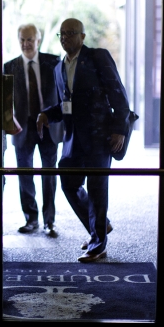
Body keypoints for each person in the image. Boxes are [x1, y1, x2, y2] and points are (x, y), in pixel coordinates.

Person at [37, 18, 130, 262]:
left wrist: (120, 128)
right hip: (73, 139)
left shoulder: (98, 57)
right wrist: (47, 114)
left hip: (100, 137)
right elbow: (66, 105)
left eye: (70, 33)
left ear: (82, 36)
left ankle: (98, 245)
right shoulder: (59, 67)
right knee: (68, 182)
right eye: (62, 34)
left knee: (97, 189)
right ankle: (100, 226)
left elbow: (117, 92)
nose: (65, 37)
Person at [3, 24, 62, 237]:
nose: (26, 44)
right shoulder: (9, 67)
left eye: (30, 39)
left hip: (48, 126)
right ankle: (31, 219)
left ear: (39, 40)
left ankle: (49, 221)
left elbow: (63, 94)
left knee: (49, 172)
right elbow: (5, 102)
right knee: (25, 173)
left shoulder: (54, 62)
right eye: (22, 39)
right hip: (22, 128)